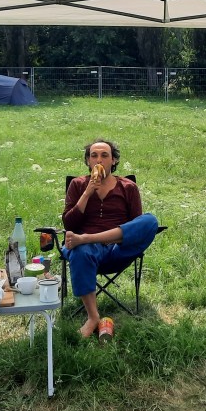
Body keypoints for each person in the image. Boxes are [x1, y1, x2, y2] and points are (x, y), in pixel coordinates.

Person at [62, 139, 159, 338]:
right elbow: (69, 225)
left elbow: (135, 226)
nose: (99, 160)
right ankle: (93, 317)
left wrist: (89, 238)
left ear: (113, 160)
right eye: (94, 155)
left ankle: (88, 238)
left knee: (150, 220)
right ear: (88, 161)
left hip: (118, 250)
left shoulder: (128, 187)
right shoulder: (78, 185)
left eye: (104, 155)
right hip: (87, 251)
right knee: (80, 249)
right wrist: (87, 193)